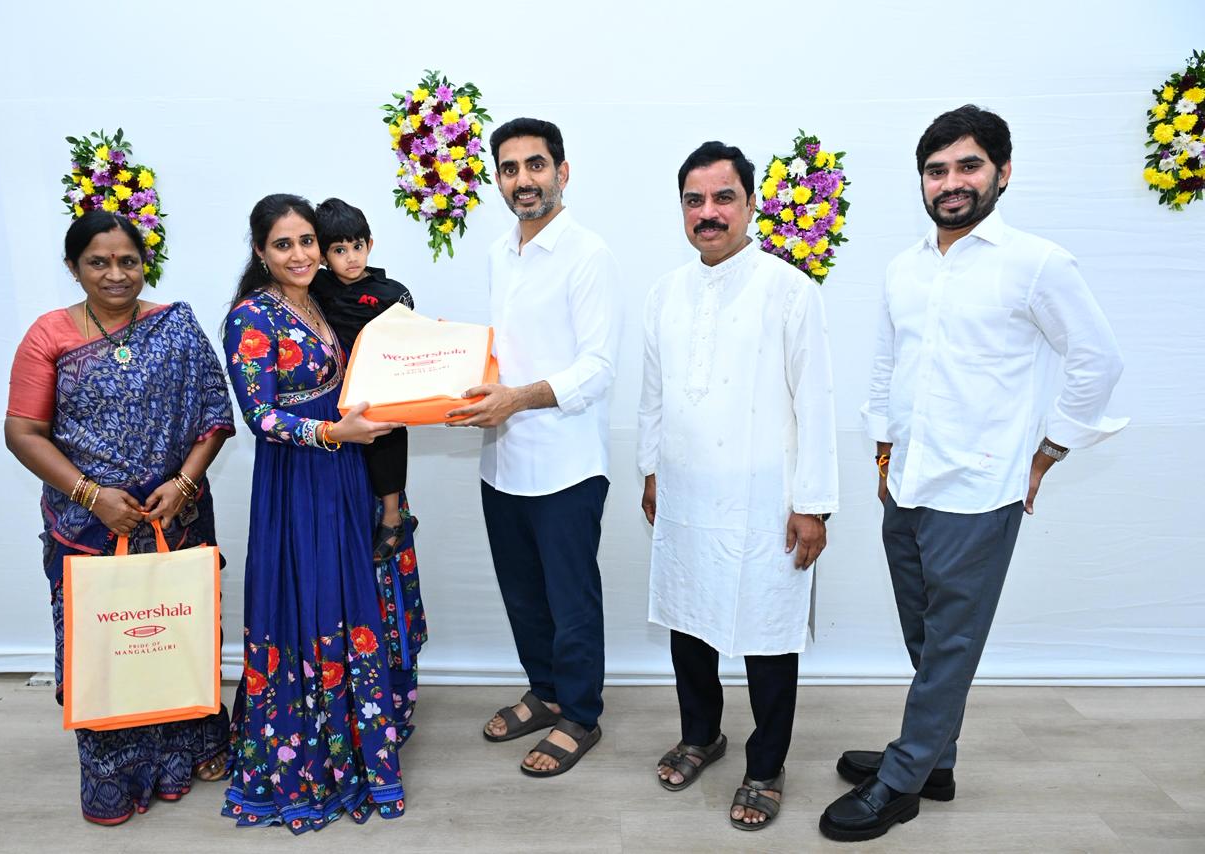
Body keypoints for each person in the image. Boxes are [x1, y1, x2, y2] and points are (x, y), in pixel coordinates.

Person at [820, 105, 1127, 842]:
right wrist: (883, 453)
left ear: (1003, 172)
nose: (951, 182)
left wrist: (1048, 452)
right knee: (926, 636)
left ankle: (902, 781)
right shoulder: (905, 267)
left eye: (968, 166)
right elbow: (888, 366)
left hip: (981, 490)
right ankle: (936, 759)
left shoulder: (1037, 264)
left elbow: (1098, 361)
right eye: (937, 170)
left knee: (951, 644)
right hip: (907, 482)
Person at [4, 210, 235, 825]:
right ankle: (115, 775)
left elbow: (215, 416)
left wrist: (184, 484)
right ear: (74, 267)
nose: (115, 274)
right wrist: (91, 494)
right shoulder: (49, 334)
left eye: (127, 260)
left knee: (177, 634)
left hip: (175, 518)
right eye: (98, 262)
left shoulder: (175, 326)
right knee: (106, 649)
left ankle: (188, 752)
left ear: (144, 264)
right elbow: (23, 432)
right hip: (89, 528)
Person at [637, 141, 839, 831]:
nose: (709, 212)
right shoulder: (665, 293)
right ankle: (701, 735)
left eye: (724, 198)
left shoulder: (790, 290)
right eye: (694, 200)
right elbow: (653, 394)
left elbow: (815, 402)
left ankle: (766, 764)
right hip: (686, 492)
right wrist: (651, 470)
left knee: (767, 631)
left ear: (751, 205)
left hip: (765, 501)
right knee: (688, 618)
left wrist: (813, 505)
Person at [219, 194, 425, 833]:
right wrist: (334, 433)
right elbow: (260, 418)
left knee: (351, 594)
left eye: (307, 241)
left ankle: (363, 738)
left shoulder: (320, 300)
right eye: (283, 244)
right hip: (299, 482)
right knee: (314, 600)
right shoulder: (251, 317)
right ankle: (315, 752)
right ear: (261, 252)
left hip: (348, 471)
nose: (300, 254)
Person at [447, 117, 621, 777]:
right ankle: (545, 691)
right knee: (522, 593)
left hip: (567, 464)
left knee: (570, 599)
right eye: (510, 168)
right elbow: (506, 351)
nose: (524, 179)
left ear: (562, 172)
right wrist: (465, 392)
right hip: (502, 461)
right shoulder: (501, 252)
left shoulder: (589, 255)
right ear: (498, 179)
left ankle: (579, 714)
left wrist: (515, 399)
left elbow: (598, 368)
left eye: (536, 165)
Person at [311, 197, 417, 562]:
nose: (352, 257)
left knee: (387, 434)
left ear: (370, 244)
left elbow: (408, 337)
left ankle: (393, 517)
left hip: (378, 383)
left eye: (358, 246)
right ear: (323, 257)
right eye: (339, 250)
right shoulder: (316, 285)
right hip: (332, 391)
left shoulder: (392, 292)